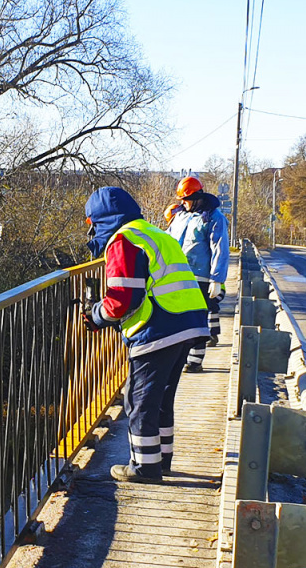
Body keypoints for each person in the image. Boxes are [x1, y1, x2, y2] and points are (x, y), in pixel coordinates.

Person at [82, 186, 210, 483]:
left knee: (138, 400)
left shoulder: (124, 240)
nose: (91, 233)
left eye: (91, 224)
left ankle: (144, 468)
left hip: (158, 329)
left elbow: (123, 298)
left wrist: (97, 315)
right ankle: (161, 460)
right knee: (161, 399)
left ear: (101, 219)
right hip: (187, 322)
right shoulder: (155, 234)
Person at [163, 176, 230, 372]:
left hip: (200, 277)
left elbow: (220, 248)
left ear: (196, 197)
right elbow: (168, 240)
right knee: (179, 318)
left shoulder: (213, 217)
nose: (182, 203)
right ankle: (181, 357)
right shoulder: (181, 217)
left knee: (197, 319)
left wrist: (216, 279)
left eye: (186, 199)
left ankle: (195, 361)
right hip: (177, 275)